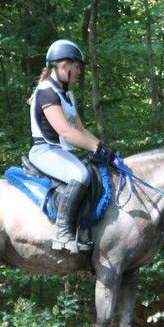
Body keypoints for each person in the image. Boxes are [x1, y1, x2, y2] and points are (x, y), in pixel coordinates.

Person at [28, 39, 116, 254]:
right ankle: (62, 232)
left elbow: (81, 130)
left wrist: (103, 147)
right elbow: (66, 132)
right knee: (81, 175)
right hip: (45, 150)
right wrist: (97, 149)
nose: (79, 72)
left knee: (95, 173)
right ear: (63, 65)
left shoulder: (66, 95)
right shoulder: (46, 92)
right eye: (76, 67)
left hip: (62, 152)